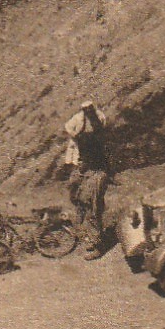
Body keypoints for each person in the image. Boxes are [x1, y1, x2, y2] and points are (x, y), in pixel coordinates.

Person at [64, 101, 114, 259]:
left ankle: (98, 245)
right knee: (80, 196)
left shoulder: (95, 139)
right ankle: (89, 232)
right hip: (90, 170)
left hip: (98, 173)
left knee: (94, 207)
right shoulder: (87, 132)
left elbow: (95, 161)